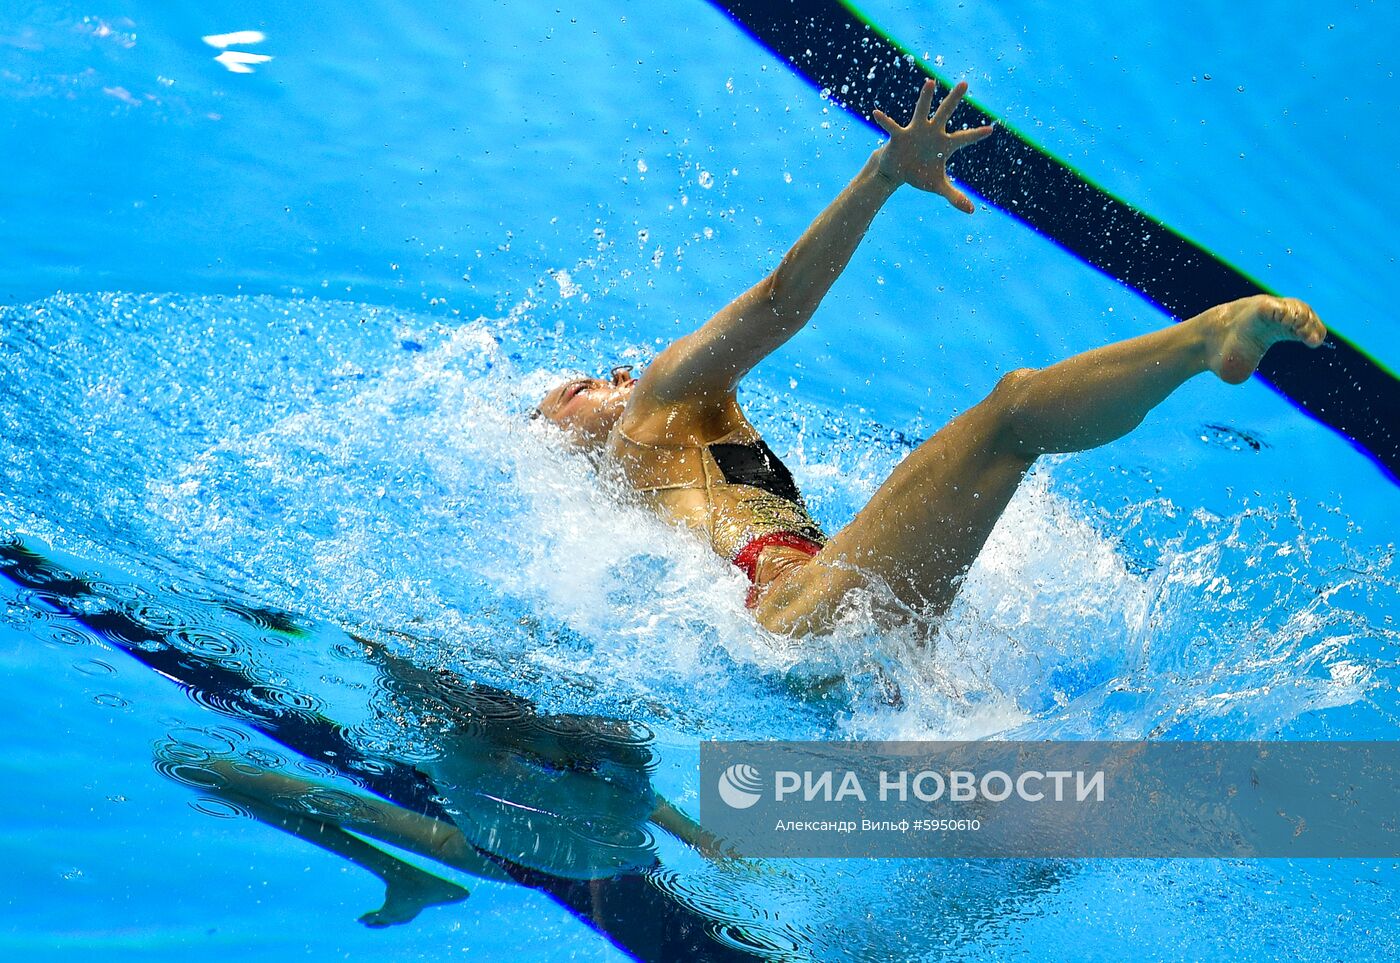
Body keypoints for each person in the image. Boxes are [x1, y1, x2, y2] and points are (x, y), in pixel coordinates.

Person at [535, 79, 1326, 637]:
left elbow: (780, 305)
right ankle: (1204, 339)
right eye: (579, 388)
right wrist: (880, 175)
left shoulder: (668, 430)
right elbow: (780, 302)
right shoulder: (648, 428)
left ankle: (1205, 343)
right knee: (1011, 413)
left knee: (1013, 424)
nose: (619, 374)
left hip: (821, 613)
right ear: (560, 439)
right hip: (794, 613)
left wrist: (883, 175)